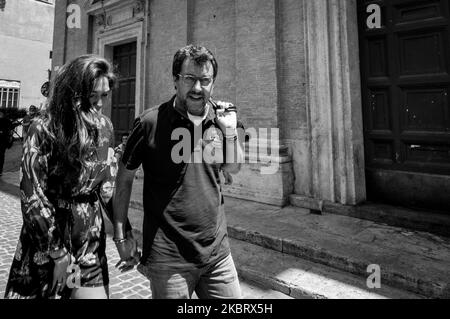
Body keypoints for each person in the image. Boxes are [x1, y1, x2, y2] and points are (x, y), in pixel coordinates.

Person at [112, 44, 245, 299]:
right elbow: (124, 179)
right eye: (190, 79)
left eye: (205, 80)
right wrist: (121, 235)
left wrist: (230, 131)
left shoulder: (220, 119)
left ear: (213, 83)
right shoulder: (150, 122)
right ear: (175, 80)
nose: (197, 88)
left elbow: (233, 167)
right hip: (168, 258)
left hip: (217, 254)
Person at [4, 54, 136, 299]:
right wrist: (57, 253)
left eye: (104, 96)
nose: (98, 103)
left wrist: (123, 234)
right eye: (91, 95)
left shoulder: (104, 128)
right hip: (47, 236)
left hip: (90, 238)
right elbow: (32, 194)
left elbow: (107, 187)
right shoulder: (43, 128)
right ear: (72, 92)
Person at [0, 110, 13, 177]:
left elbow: (10, 130)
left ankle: (0, 170)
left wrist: (10, 137)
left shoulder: (7, 121)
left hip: (3, 141)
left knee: (1, 155)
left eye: (1, 113)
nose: (0, 114)